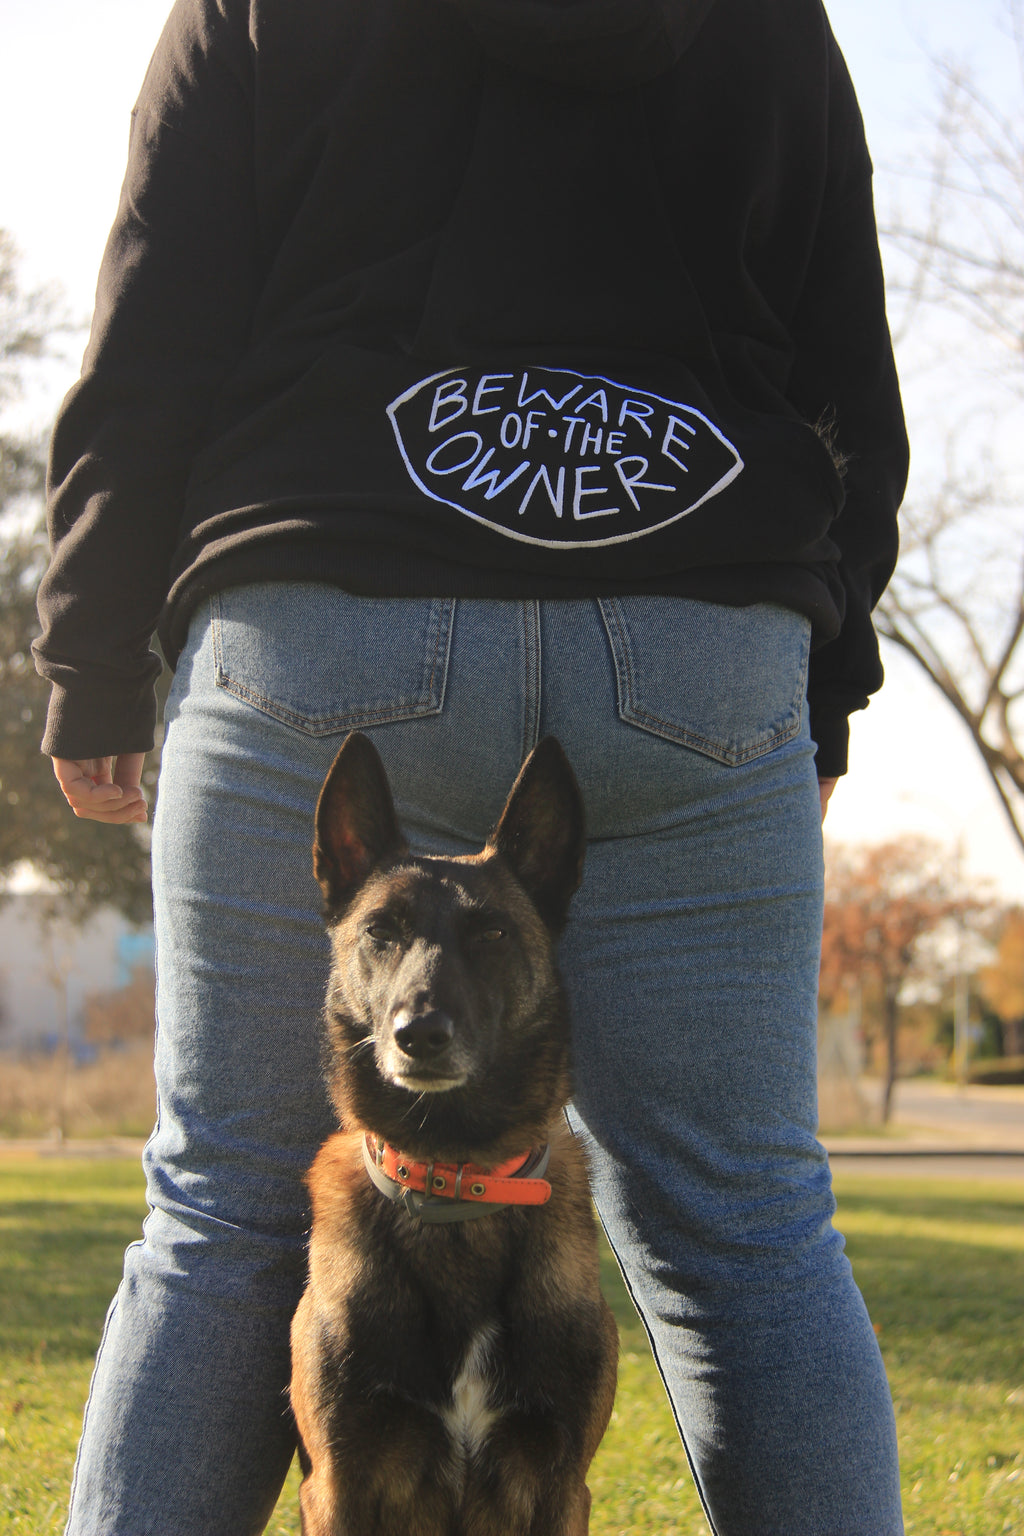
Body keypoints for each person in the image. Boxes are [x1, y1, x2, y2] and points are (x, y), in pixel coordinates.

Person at [34, 1, 908, 1531]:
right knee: (751, 1232)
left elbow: (159, 306)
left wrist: (93, 646)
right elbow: (846, 356)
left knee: (223, 1217)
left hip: (325, 605)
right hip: (695, 624)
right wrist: (823, 690)